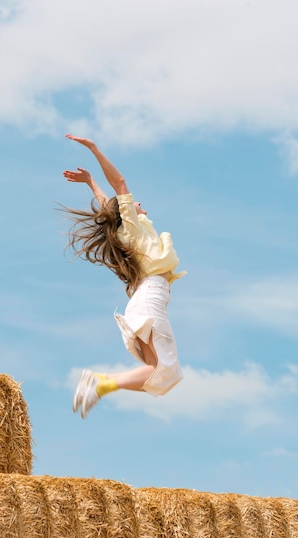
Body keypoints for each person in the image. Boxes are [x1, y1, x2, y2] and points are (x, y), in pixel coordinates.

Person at [63, 134, 185, 418]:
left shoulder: (127, 229)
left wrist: (92, 183)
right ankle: (101, 383)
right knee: (167, 372)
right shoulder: (129, 226)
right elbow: (118, 184)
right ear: (125, 211)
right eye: (132, 203)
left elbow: (108, 203)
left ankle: (102, 383)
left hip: (146, 298)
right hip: (150, 294)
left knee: (164, 375)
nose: (138, 202)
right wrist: (94, 148)